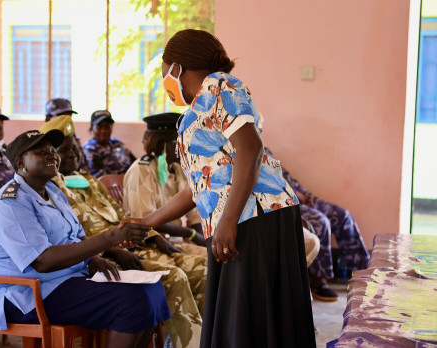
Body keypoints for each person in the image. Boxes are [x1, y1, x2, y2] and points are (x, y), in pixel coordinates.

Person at [139, 29, 316, 347]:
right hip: (236, 219)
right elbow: (198, 188)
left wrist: (228, 221)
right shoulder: (195, 110)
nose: (164, 80)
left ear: (176, 68)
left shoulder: (221, 84)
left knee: (251, 321)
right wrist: (146, 222)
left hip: (255, 217)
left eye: (164, 71)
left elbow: (251, 148)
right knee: (241, 323)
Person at [0, 129, 170, 348]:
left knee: (153, 290)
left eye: (52, 150)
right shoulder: (9, 204)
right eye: (42, 152)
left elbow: (75, 235)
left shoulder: (52, 191)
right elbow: (43, 261)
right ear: (21, 161)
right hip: (25, 294)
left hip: (65, 280)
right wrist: (112, 238)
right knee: (132, 300)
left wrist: (92, 259)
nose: (52, 155)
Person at [43, 116, 206, 348]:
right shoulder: (52, 189)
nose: (72, 154)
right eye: (64, 150)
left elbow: (121, 214)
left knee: (204, 268)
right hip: (107, 257)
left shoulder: (89, 180)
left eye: (74, 148)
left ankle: (207, 338)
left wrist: (153, 236)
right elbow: (72, 236)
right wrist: (113, 250)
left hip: (136, 245)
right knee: (176, 276)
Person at [265, 147, 370, 301]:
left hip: (302, 197)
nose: (260, 122)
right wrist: (295, 195)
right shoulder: (245, 148)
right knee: (320, 221)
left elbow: (285, 177)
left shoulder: (265, 149)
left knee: (342, 216)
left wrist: (305, 194)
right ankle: (317, 281)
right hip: (285, 203)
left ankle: (361, 272)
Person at [124, 113, 207, 257]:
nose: (185, 147)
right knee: (210, 263)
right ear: (163, 145)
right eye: (178, 141)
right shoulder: (142, 170)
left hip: (179, 240)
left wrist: (205, 240)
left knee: (217, 256)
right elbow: (144, 219)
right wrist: (190, 233)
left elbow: (194, 215)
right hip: (153, 242)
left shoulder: (177, 169)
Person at [82, 110, 136, 178]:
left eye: (107, 127)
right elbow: (100, 177)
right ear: (92, 128)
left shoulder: (117, 144)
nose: (103, 131)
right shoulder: (89, 149)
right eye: (99, 127)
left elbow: (133, 166)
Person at [45, 98, 88, 169]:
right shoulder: (42, 141)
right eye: (61, 117)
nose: (65, 121)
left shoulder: (73, 139)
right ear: (48, 118)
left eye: (69, 117)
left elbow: (83, 167)